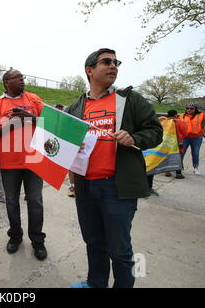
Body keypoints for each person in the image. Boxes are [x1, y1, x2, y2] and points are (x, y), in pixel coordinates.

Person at [66, 48, 162, 288]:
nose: (113, 66)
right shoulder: (76, 106)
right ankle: (95, 283)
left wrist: (134, 138)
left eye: (115, 62)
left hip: (116, 188)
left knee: (119, 248)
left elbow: (156, 131)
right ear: (89, 70)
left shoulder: (129, 99)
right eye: (106, 62)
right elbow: (63, 142)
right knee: (93, 241)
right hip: (84, 186)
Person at [0, 69, 47, 261]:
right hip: (9, 163)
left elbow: (52, 121)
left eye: (22, 77)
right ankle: (15, 236)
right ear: (6, 82)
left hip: (35, 160)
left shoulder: (34, 99)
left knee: (35, 201)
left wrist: (30, 117)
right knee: (11, 202)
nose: (22, 80)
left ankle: (37, 240)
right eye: (17, 78)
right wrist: (11, 124)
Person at [179, 103, 205, 175]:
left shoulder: (201, 115)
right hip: (185, 138)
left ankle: (196, 168)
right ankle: (179, 167)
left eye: (191, 108)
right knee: (181, 153)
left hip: (197, 138)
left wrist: (203, 131)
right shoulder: (182, 115)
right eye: (187, 108)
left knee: (195, 153)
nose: (189, 110)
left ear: (195, 109)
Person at [164, 110, 187, 179]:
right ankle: (178, 174)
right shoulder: (179, 122)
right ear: (175, 115)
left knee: (166, 156)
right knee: (178, 157)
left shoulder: (164, 122)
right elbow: (185, 132)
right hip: (178, 143)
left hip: (167, 143)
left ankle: (167, 171)